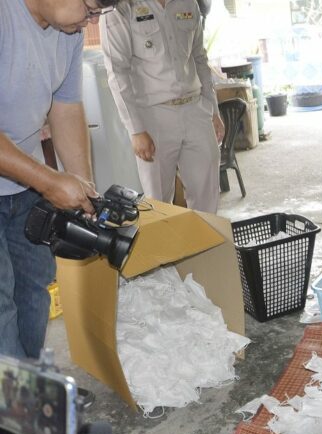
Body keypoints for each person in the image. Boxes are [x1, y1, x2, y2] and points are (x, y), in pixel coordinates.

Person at [0, 0, 117, 359]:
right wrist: (51, 182)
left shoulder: (69, 31)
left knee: (33, 289)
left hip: (25, 182)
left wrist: (82, 186)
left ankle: (29, 388)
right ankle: (17, 411)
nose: (92, 20)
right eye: (92, 7)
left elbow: (65, 106)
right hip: (31, 175)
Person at [100, 0, 224, 213]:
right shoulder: (120, 8)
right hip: (152, 116)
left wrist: (213, 110)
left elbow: (199, 58)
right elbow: (117, 72)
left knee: (207, 194)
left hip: (195, 109)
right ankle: (167, 246)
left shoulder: (188, 3)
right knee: (157, 202)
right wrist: (136, 129)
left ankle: (205, 246)